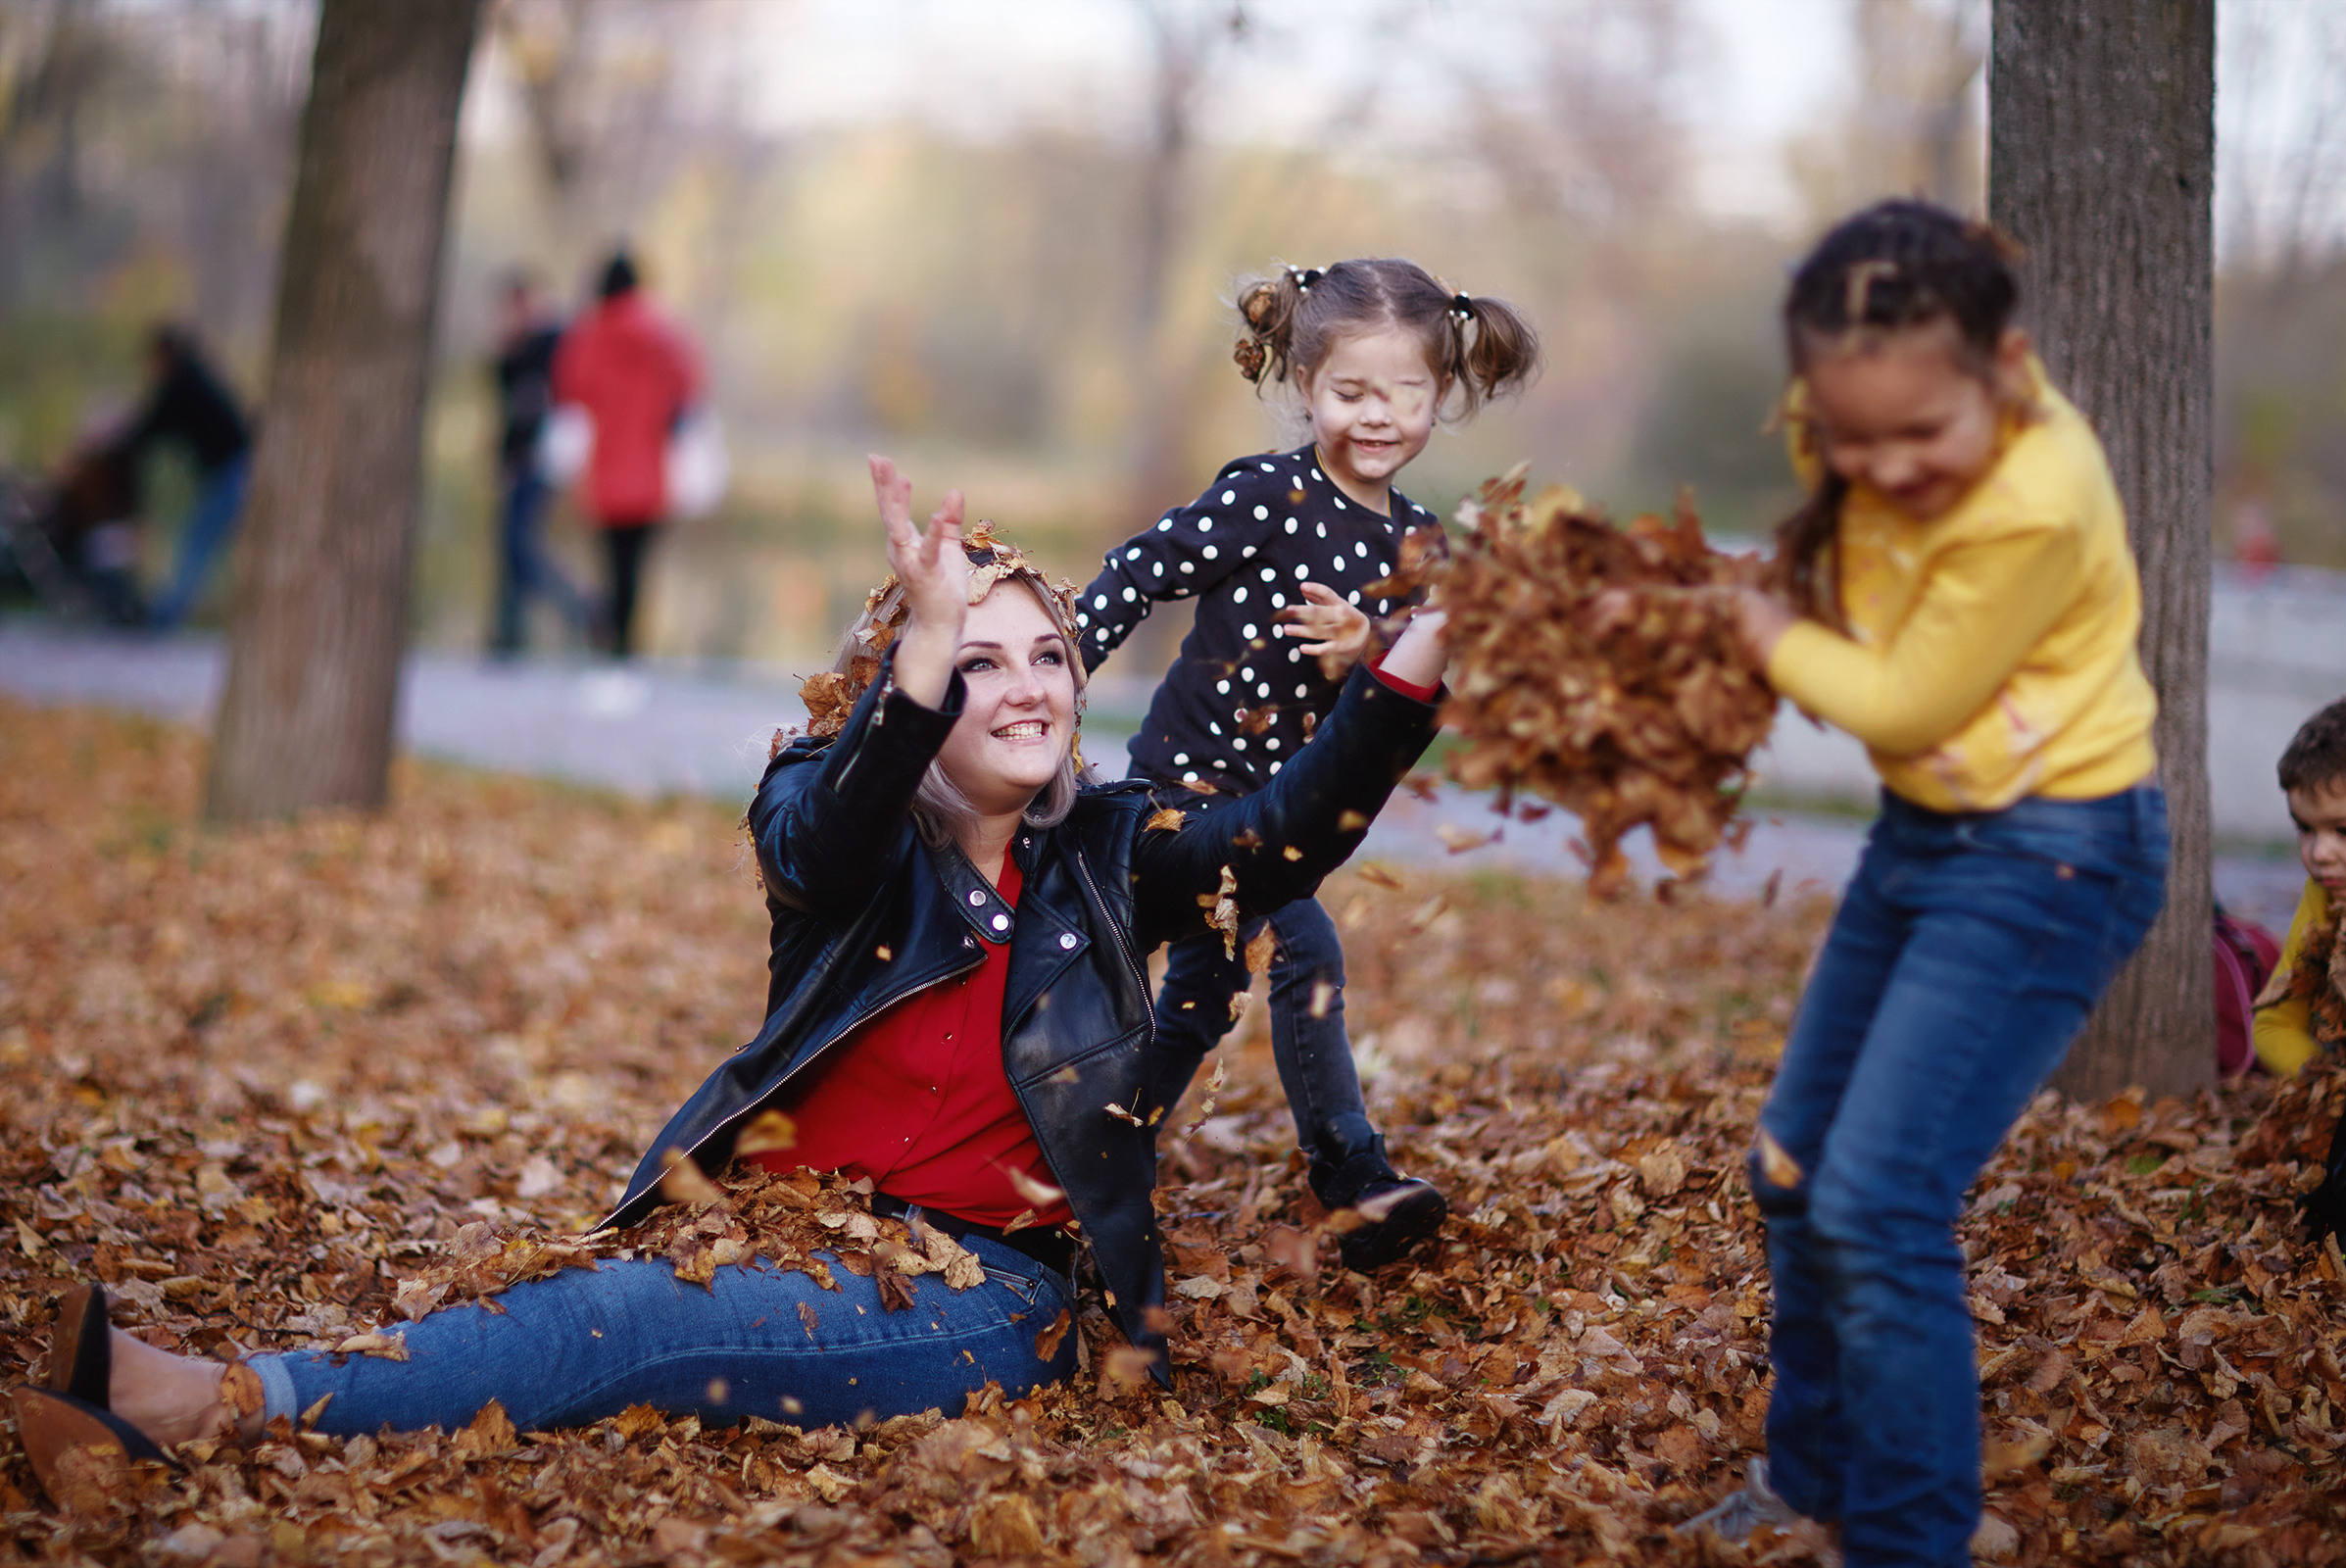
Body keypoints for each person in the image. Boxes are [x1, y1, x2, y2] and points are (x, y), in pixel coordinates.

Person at [7, 456, 1455, 1507]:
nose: (1028, 686)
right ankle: (214, 1408)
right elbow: (833, 832)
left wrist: (1413, 668)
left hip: (980, 1297)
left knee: (630, 1326)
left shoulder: (1111, 851)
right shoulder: (826, 823)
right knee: (596, 1311)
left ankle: (207, 1403)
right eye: (982, 662)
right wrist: (928, 641)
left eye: (1053, 659)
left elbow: (1272, 842)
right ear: (910, 691)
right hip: (769, 1228)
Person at [1678, 202, 2170, 1567]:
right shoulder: (1864, 376)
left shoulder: (2033, 501)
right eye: (1852, 437)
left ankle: (1907, 1541)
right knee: (1794, 1169)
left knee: (1877, 1201)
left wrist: (1761, 629)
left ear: (2006, 371)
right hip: (1932, 835)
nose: (1887, 467)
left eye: (1922, 435)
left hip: (2052, 851)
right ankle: (1810, 1477)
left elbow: (1903, 701)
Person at [1072, 258, 1539, 1269]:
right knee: (1269, 955)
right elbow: (1138, 571)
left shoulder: (1420, 547)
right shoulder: (1267, 496)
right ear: (1304, 386)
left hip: (1282, 816)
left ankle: (1111, 1149)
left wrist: (1367, 650)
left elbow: (1421, 702)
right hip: (1179, 800)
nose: (1380, 416)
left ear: (1441, 395)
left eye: (1406, 394)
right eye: (1352, 392)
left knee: (1204, 995)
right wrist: (1048, 680)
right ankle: (1342, 1174)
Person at [551, 251, 703, 660]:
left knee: (610, 563)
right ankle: (626, 647)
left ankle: (608, 643)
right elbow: (691, 388)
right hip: (653, 473)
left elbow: (570, 391)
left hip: (605, 470)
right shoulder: (665, 333)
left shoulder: (588, 333)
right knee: (636, 566)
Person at [2249, 697, 2346, 1248]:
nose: (2320, 854)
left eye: (2344, 831)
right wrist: (2329, 1086)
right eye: (2306, 830)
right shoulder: (2324, 899)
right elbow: (2272, 1024)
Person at [122, 324, 252, 630]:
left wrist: (119, 436)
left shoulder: (181, 386)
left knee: (197, 543)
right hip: (236, 470)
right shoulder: (194, 378)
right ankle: (173, 613)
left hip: (231, 473)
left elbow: (148, 429)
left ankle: (164, 617)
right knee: (208, 543)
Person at [488, 270, 589, 657]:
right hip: (516, 459)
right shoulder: (513, 349)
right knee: (509, 544)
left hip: (544, 458)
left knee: (520, 542)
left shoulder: (553, 343)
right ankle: (508, 632)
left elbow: (550, 401)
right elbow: (509, 407)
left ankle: (580, 608)